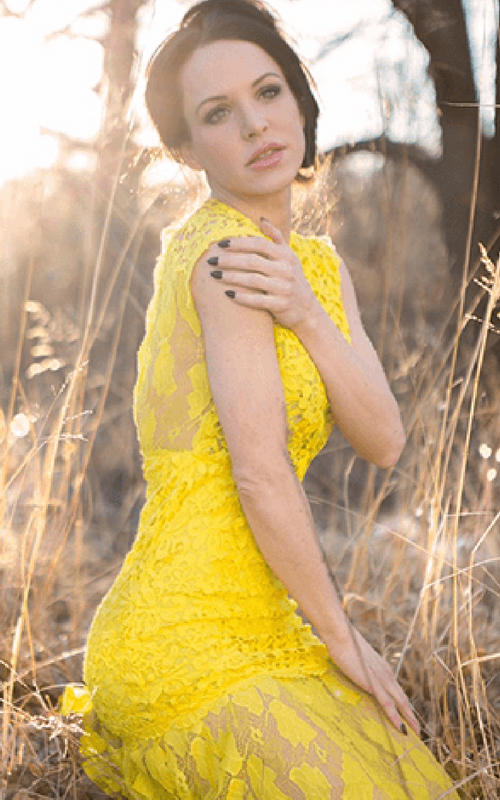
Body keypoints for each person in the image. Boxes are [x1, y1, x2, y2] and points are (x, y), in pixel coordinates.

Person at [62, 1, 459, 796]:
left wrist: (307, 313)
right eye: (218, 113)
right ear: (186, 147)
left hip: (275, 624)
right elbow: (259, 475)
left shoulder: (313, 266)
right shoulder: (220, 258)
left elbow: (384, 439)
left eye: (268, 92)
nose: (255, 126)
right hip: (184, 638)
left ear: (300, 102)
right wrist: (344, 638)